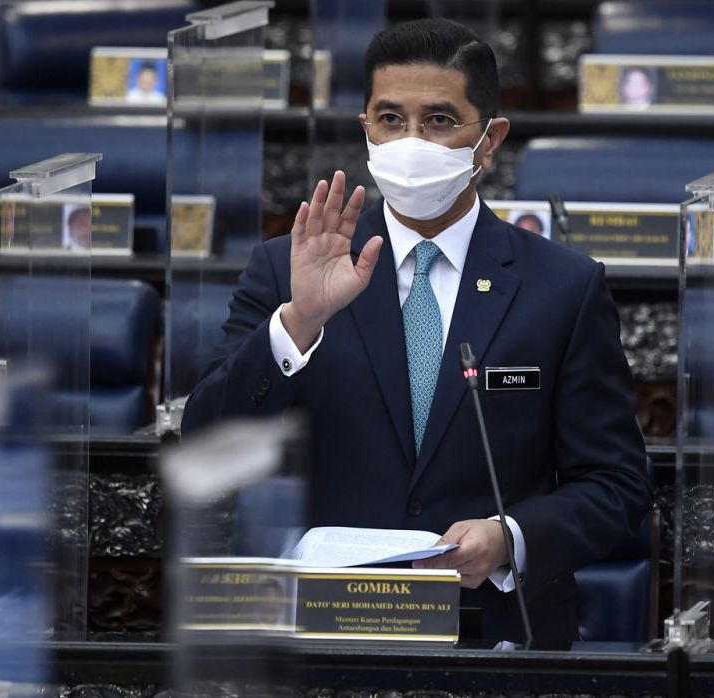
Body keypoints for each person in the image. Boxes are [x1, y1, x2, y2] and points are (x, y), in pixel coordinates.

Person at [182, 18, 650, 643]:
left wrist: (510, 538)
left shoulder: (563, 287)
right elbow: (209, 443)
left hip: (493, 632)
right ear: (366, 131)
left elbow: (617, 485)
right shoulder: (285, 270)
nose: (411, 140)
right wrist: (298, 324)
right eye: (390, 119)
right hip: (319, 632)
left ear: (489, 141)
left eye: (438, 120)